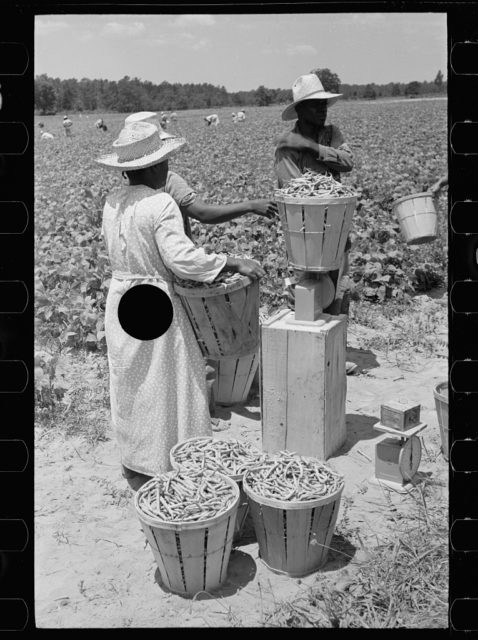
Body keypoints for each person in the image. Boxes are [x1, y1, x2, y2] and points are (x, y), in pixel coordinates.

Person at [96, 121, 266, 491]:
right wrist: (230, 262)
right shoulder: (161, 203)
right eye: (166, 162)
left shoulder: (112, 202)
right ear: (158, 166)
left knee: (132, 381)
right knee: (171, 380)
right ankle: (169, 460)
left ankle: (136, 460)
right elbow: (183, 260)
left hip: (122, 295)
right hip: (156, 299)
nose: (169, 168)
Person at [123, 111, 278, 415]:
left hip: (143, 281)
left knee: (163, 350)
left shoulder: (120, 197)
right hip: (177, 273)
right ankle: (199, 410)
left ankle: (182, 406)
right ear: (156, 159)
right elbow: (202, 216)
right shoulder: (164, 188)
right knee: (194, 342)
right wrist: (247, 209)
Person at [274, 73, 358, 374]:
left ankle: (332, 354)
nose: (322, 110)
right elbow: (295, 190)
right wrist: (316, 159)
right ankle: (308, 356)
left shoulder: (331, 133)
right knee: (306, 289)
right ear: (299, 110)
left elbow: (347, 162)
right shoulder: (286, 148)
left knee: (335, 287)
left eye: (324, 105)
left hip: (335, 228)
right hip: (305, 233)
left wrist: (310, 147)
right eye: (314, 106)